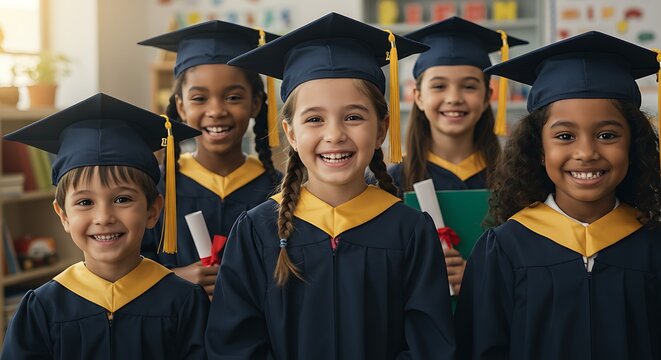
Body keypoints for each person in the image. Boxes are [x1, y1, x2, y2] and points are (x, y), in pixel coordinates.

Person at [205, 12, 455, 359]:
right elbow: (234, 345)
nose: (335, 134)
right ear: (291, 133)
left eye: (353, 117)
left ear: (381, 128)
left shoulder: (409, 231)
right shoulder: (256, 232)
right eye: (315, 119)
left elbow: (429, 344)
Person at [454, 31, 661, 359]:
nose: (586, 153)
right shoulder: (505, 251)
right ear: (538, 149)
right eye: (565, 136)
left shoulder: (652, 247)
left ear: (633, 146)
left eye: (607, 135)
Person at [0, 93, 209, 359]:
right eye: (85, 202)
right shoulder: (42, 308)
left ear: (153, 210)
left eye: (122, 199)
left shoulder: (184, 301)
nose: (103, 217)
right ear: (63, 215)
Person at [138, 21, 282, 297]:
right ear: (180, 107)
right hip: (177, 334)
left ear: (256, 103)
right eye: (199, 98)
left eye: (232, 97)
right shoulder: (155, 185)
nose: (216, 110)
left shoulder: (278, 189)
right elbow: (128, 262)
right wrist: (173, 277)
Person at [394, 16, 527, 295]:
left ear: (487, 94)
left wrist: (479, 276)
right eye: (439, 86)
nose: (454, 98)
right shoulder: (393, 182)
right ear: (417, 96)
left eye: (469, 86)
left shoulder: (516, 179)